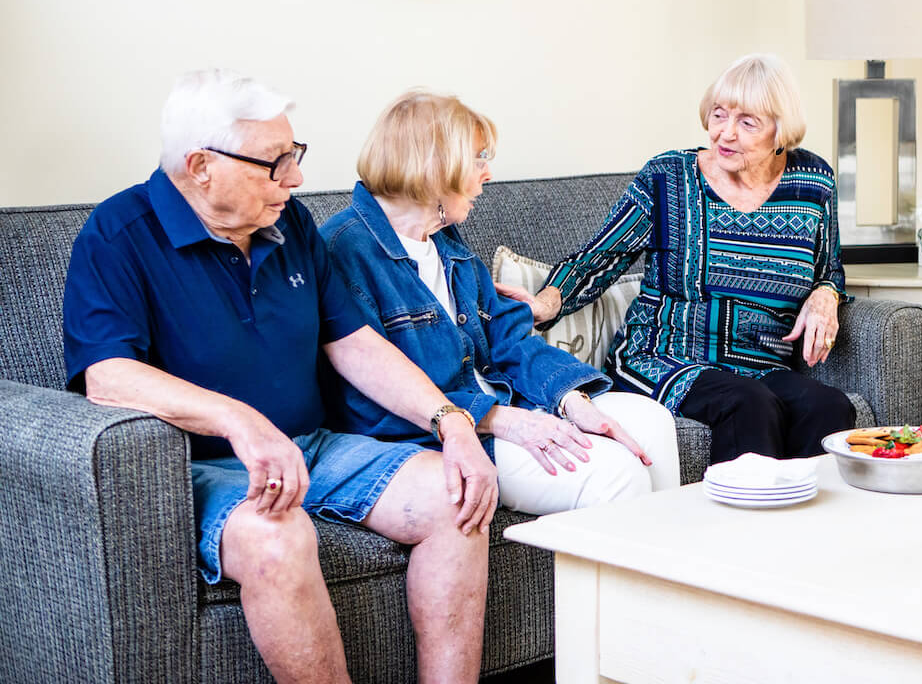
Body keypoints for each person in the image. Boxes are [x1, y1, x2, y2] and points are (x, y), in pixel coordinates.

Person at [62, 71, 496, 684]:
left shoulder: (289, 225)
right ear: (200, 165)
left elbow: (353, 343)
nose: (294, 179)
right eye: (274, 164)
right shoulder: (118, 234)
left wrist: (450, 422)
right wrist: (239, 421)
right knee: (278, 539)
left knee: (457, 496)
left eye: (295, 156)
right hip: (197, 466)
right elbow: (108, 376)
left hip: (311, 447)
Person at [320, 91, 680, 513]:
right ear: (437, 166)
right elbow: (366, 397)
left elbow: (509, 337)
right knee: (615, 473)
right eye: (479, 158)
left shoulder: (444, 240)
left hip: (505, 401)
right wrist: (506, 421)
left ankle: (674, 577)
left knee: (652, 419)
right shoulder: (347, 250)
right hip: (434, 436)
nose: (488, 174)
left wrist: (570, 400)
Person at [496, 53, 855, 465]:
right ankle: (740, 527)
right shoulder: (668, 177)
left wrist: (826, 292)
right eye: (719, 115)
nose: (726, 133)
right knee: (748, 404)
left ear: (781, 131)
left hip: (761, 363)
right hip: (664, 355)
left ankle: (808, 528)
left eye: (747, 122)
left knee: (829, 406)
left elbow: (829, 266)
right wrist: (543, 304)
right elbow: (600, 258)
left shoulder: (812, 181)